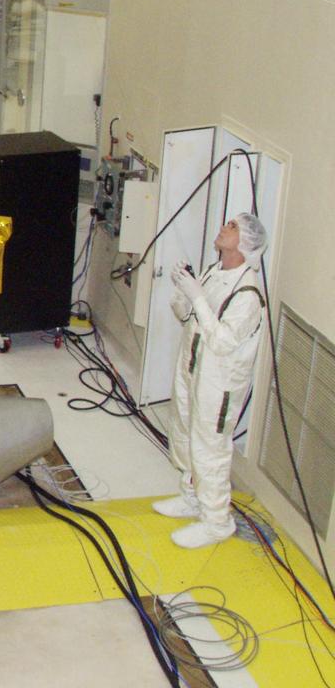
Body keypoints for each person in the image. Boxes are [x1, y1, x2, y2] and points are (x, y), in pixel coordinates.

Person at [154, 213, 267, 549]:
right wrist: (185, 291)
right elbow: (188, 316)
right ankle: (191, 496)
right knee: (185, 433)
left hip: (219, 384)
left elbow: (222, 342)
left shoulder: (247, 294)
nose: (224, 228)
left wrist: (198, 296)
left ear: (246, 244)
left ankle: (217, 521)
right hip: (193, 368)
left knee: (210, 450)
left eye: (232, 227)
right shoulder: (214, 272)